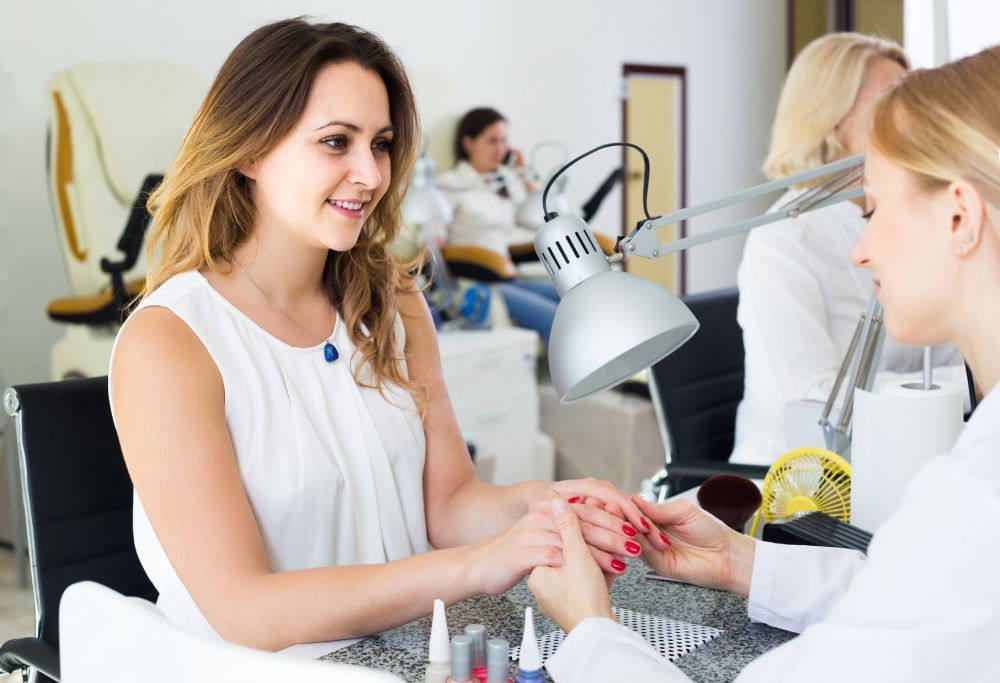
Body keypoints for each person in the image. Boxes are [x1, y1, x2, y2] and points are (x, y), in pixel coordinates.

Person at [110, 19, 649, 651]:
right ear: (250, 149)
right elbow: (245, 610)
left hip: (407, 653)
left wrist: (545, 505)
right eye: (337, 141)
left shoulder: (394, 302)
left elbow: (447, 506)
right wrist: (482, 564)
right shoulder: (171, 341)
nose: (370, 174)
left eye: (382, 143)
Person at [528, 45, 1000, 681]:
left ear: (961, 216)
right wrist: (739, 561)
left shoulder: (973, 499)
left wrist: (589, 629)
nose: (862, 251)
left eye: (875, 208)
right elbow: (919, 591)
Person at [731, 33, 967, 466]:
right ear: (831, 120)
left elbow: (955, 350)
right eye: (892, 101)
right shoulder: (782, 241)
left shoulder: (906, 223)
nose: (912, 116)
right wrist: (961, 384)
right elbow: (815, 404)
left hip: (895, 454)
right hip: (795, 480)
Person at [435, 107, 561, 346]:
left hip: (506, 277)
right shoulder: (450, 184)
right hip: (474, 282)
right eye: (492, 141)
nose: (500, 149)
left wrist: (525, 174)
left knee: (573, 296)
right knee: (558, 318)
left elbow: (545, 220)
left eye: (504, 142)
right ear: (468, 143)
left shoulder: (503, 184)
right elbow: (434, 240)